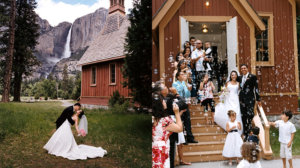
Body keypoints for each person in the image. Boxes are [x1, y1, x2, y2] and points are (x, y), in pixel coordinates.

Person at [152, 89, 183, 168]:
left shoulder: (153, 118)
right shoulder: (165, 121)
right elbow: (179, 128)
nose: (165, 102)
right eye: (162, 101)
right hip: (161, 150)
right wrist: (177, 113)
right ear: (159, 104)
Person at [214, 70, 243, 135]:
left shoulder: (238, 84)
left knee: (236, 112)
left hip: (235, 99)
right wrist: (222, 94)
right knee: (228, 111)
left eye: (235, 75)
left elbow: (238, 92)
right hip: (229, 98)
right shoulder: (228, 83)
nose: (233, 76)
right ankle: (228, 127)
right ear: (230, 76)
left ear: (236, 76)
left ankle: (237, 128)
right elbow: (225, 90)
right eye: (232, 75)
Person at [172, 71, 197, 144]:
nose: (183, 76)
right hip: (179, 103)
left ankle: (190, 137)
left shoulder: (184, 83)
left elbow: (187, 94)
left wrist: (188, 89)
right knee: (181, 121)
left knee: (187, 121)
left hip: (185, 103)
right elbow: (177, 92)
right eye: (181, 74)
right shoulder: (175, 83)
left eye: (184, 74)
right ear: (178, 77)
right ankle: (183, 139)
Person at [239, 64, 261, 141]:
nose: (243, 69)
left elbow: (256, 88)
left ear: (247, 69)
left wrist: (258, 99)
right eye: (242, 68)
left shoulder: (253, 77)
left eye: (244, 68)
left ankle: (249, 131)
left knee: (250, 114)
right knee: (243, 116)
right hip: (241, 100)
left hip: (250, 99)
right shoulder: (240, 78)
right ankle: (245, 133)